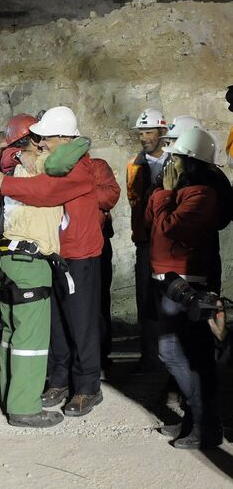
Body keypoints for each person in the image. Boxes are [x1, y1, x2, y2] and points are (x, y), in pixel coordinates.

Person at [0, 106, 104, 417]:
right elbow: (8, 155)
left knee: (81, 324)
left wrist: (5, 185)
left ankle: (88, 386)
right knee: (58, 325)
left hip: (80, 255)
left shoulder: (79, 169)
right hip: (55, 254)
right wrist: (18, 157)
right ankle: (60, 380)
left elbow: (48, 193)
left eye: (46, 138)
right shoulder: (55, 162)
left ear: (64, 137)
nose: (42, 143)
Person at [0, 113, 66, 427]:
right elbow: (75, 151)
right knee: (30, 340)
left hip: (6, 259)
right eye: (42, 137)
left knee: (9, 335)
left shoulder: (13, 168)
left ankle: (9, 395)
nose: (48, 142)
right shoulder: (41, 164)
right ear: (32, 139)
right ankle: (24, 407)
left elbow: (3, 155)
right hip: (29, 263)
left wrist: (18, 151)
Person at [148, 127, 223, 449]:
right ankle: (195, 417)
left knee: (193, 357)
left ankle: (206, 424)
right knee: (174, 354)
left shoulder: (203, 195)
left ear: (191, 163)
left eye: (176, 159)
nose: (169, 164)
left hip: (188, 285)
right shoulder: (182, 194)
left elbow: (167, 230)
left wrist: (163, 194)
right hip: (169, 282)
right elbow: (152, 225)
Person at [126, 108, 168, 372]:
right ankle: (150, 356)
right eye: (141, 133)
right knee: (146, 298)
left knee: (168, 299)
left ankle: (171, 356)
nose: (144, 138)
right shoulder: (134, 164)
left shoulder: (176, 160)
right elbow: (134, 201)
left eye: (149, 132)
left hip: (169, 241)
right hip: (145, 241)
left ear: (163, 132)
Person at [88, 158, 120, 374]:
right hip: (65, 243)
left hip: (97, 242)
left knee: (98, 301)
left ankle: (100, 355)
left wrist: (78, 190)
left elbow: (109, 196)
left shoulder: (96, 166)